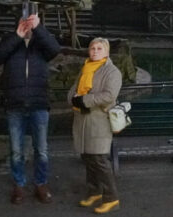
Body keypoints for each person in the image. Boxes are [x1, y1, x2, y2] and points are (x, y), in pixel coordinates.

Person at [0, 8, 62, 204]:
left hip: (39, 102)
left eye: (30, 22)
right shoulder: (10, 41)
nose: (27, 25)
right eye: (24, 22)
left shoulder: (41, 43)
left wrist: (39, 29)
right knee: (16, 150)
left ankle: (41, 183)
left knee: (42, 149)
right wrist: (17, 36)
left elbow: (55, 49)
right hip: (14, 104)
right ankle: (19, 185)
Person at [68, 38, 123, 214]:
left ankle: (111, 197)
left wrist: (84, 100)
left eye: (99, 48)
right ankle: (94, 191)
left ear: (106, 52)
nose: (95, 51)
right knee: (88, 157)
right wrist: (72, 99)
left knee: (99, 159)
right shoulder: (85, 68)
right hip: (82, 120)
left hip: (99, 120)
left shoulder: (112, 72)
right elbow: (73, 89)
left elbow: (109, 95)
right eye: (92, 48)